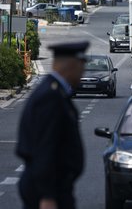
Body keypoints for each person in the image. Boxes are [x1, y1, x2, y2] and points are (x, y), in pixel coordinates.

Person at [16, 41, 89, 209]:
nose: (83, 72)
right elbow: (44, 148)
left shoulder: (56, 92)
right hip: (49, 192)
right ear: (71, 65)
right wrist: (47, 195)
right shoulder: (50, 96)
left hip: (56, 187)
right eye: (82, 66)